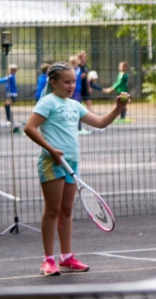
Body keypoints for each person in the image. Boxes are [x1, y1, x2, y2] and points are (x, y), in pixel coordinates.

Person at [23, 62, 130, 276]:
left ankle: (66, 257)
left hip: (71, 163)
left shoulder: (74, 105)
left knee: (66, 211)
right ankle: (48, 260)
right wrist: (51, 150)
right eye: (66, 81)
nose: (71, 85)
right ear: (54, 82)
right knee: (52, 211)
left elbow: (99, 123)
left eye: (73, 81)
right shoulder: (48, 102)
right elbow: (29, 128)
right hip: (51, 162)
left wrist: (118, 108)